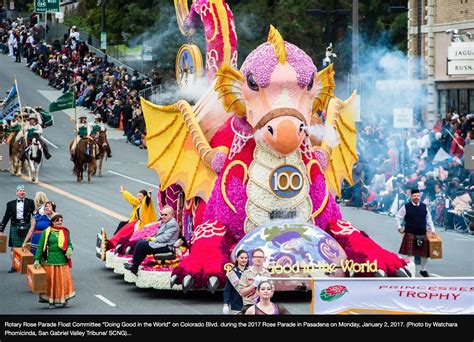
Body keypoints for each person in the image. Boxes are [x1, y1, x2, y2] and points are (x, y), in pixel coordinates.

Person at [34, 214, 75, 309]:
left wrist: (69, 249)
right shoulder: (46, 232)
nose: (60, 222)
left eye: (61, 220)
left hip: (62, 260)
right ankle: (51, 301)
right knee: (51, 282)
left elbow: (69, 244)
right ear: (53, 222)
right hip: (49, 260)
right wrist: (36, 259)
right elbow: (40, 246)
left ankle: (64, 300)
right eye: (57, 221)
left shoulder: (65, 232)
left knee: (63, 281)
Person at [124, 205, 179, 275]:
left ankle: (134, 266)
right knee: (141, 243)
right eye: (162, 214)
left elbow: (165, 238)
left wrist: (152, 239)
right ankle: (134, 266)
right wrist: (150, 238)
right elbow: (158, 234)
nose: (163, 216)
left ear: (172, 215)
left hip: (166, 246)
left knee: (141, 244)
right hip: (161, 244)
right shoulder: (166, 222)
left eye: (166, 215)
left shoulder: (172, 224)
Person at [395, 188, 436, 277]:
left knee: (425, 255)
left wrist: (432, 230)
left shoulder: (424, 207)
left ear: (420, 196)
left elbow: (429, 219)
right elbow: (398, 216)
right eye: (414, 196)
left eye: (417, 196)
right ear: (411, 197)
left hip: (422, 233)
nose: (416, 197)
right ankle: (411, 273)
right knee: (411, 254)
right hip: (410, 233)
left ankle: (423, 269)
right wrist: (399, 227)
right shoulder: (406, 206)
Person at [107, 186, 157, 250]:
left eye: (140, 196)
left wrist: (149, 194)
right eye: (138, 196)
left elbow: (147, 200)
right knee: (123, 227)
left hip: (144, 225)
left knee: (125, 231)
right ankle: (112, 241)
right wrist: (123, 192)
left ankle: (113, 243)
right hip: (136, 222)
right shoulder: (139, 203)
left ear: (144, 196)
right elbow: (131, 198)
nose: (138, 197)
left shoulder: (146, 204)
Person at [0, 185, 35, 272]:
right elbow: (6, 217)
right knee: (15, 247)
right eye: (20, 191)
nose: (22, 192)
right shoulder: (10, 204)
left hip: (26, 225)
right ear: (17, 193)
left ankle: (27, 265)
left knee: (26, 246)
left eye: (23, 190)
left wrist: (36, 226)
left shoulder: (30, 202)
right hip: (15, 226)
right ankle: (14, 266)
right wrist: (1, 229)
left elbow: (35, 215)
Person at [238, 248, 271, 313]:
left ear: (264, 259)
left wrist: (266, 288)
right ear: (252, 259)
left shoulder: (267, 274)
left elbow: (271, 293)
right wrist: (254, 285)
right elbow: (241, 293)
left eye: (261, 257)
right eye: (256, 257)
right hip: (249, 305)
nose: (258, 259)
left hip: (263, 305)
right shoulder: (246, 273)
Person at [223, 250, 249, 315]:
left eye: (246, 258)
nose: (244, 260)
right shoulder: (232, 274)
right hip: (236, 307)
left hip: (249, 305)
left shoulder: (250, 272)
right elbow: (227, 291)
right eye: (242, 258)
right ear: (237, 258)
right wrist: (226, 304)